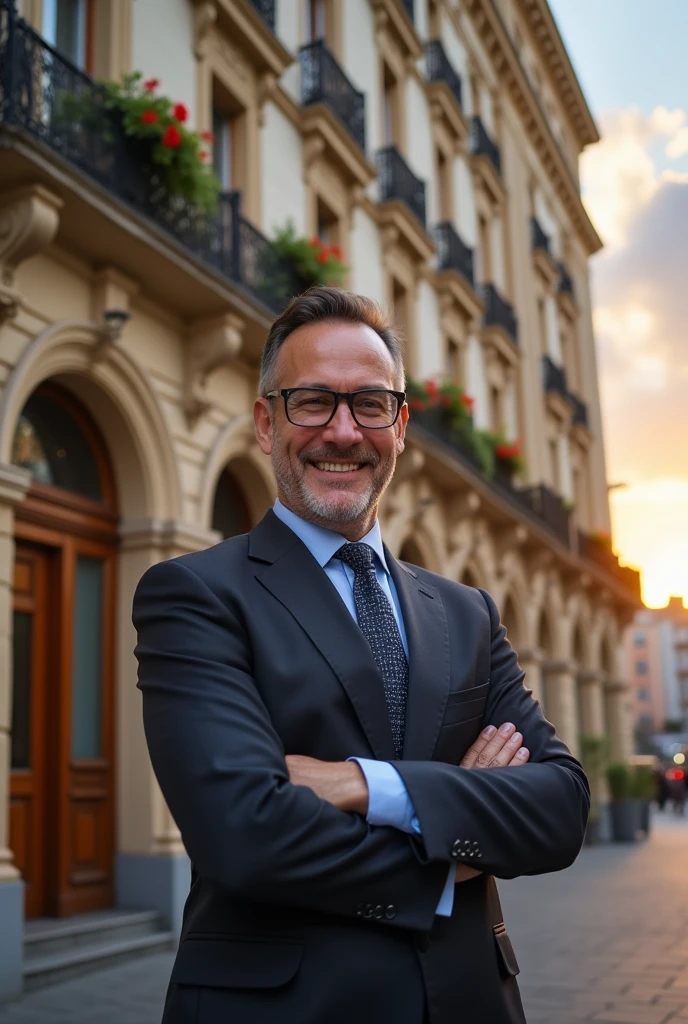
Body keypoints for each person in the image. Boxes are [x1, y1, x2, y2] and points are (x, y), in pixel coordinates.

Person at [133, 287, 590, 1024]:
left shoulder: (467, 613)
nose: (342, 431)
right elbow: (243, 834)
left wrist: (362, 785)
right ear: (265, 421)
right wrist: (457, 836)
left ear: (401, 425)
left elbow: (561, 810)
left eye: (370, 404)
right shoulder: (196, 595)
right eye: (312, 401)